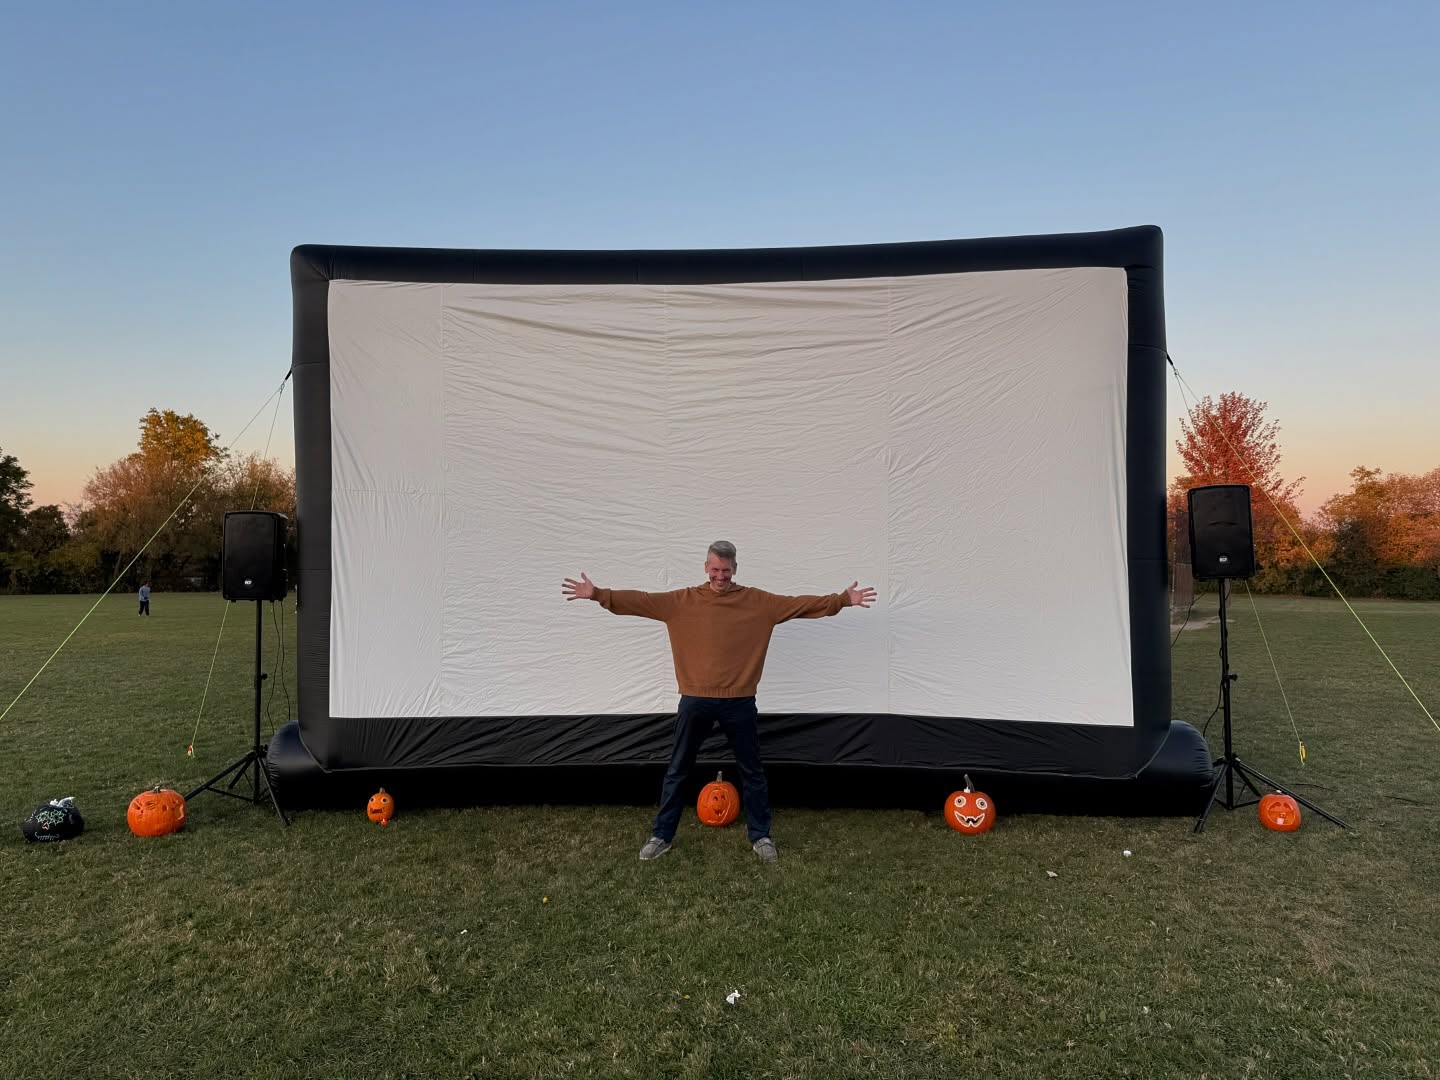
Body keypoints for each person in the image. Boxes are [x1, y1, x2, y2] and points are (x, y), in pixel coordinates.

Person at [562, 541, 876, 863]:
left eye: (726, 570)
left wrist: (842, 600)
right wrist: (599, 594)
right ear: (705, 568)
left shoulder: (758, 603)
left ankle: (760, 835)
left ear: (735, 569)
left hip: (739, 702)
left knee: (752, 771)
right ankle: (661, 836)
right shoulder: (681, 602)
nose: (720, 576)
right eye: (715, 569)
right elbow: (641, 601)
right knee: (677, 769)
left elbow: (799, 605)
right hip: (694, 700)